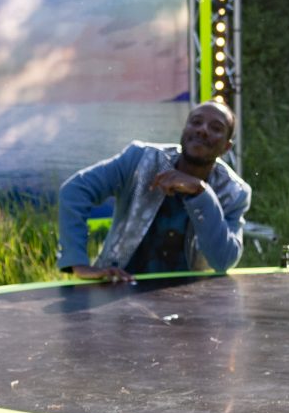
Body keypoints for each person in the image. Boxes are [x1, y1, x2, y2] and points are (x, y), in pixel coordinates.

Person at [55, 99, 251, 283]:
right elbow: (75, 191)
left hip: (191, 301)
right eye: (196, 122)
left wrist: (201, 192)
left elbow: (223, 261)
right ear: (184, 130)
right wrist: (78, 263)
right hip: (117, 287)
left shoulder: (234, 191)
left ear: (226, 147)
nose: (202, 130)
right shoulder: (139, 159)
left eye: (216, 128)